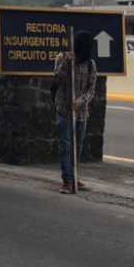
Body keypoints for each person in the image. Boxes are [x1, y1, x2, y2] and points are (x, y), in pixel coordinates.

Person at [53, 31, 98, 194]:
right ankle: (67, 180)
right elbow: (57, 81)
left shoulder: (91, 65)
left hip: (81, 112)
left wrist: (81, 101)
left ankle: (74, 175)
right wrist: (65, 64)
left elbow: (91, 89)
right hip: (64, 109)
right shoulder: (62, 58)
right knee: (65, 145)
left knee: (77, 146)